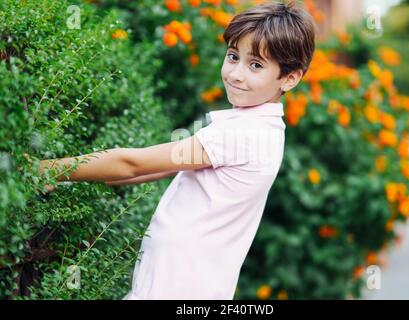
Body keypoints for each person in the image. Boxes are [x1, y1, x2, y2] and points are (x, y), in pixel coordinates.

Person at [39, 1, 316, 299]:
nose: (236, 74)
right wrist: (71, 176)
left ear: (290, 78)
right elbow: (153, 169)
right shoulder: (262, 129)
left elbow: (132, 163)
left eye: (256, 65)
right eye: (233, 56)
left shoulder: (240, 134)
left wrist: (44, 169)